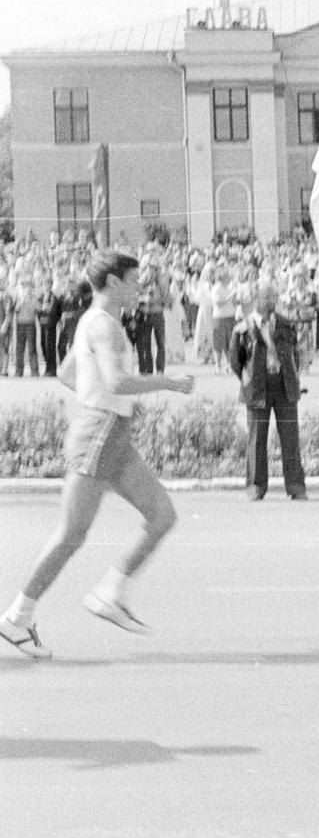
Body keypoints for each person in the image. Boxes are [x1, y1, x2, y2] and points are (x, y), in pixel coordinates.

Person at [1, 250, 197, 658]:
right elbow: (117, 380)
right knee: (71, 534)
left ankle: (111, 592)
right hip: (100, 434)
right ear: (113, 282)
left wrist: (104, 403)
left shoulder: (94, 322)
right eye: (134, 280)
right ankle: (17, 617)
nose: (140, 288)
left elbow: (68, 373)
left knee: (162, 515)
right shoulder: (104, 325)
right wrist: (171, 383)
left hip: (110, 431)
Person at [229, 282, 308, 502]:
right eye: (267, 298)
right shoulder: (244, 327)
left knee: (290, 438)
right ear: (257, 299)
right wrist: (247, 379)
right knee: (257, 439)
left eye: (274, 298)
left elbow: (297, 354)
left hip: (284, 386)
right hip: (257, 387)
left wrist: (292, 374)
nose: (271, 302)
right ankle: (256, 486)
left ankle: (296, 486)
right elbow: (236, 359)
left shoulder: (285, 324)